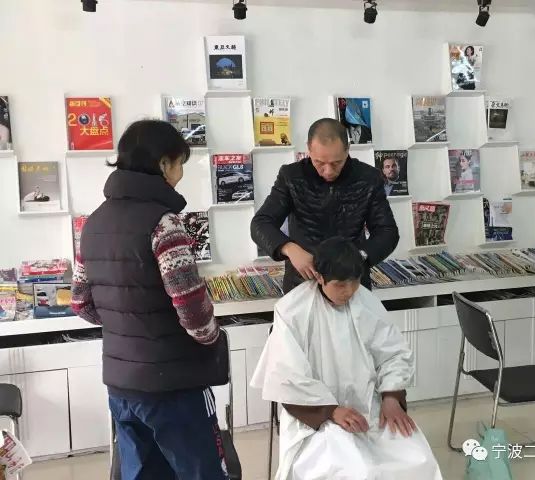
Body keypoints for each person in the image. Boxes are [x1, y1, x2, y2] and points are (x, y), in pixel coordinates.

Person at [71, 120, 229, 480]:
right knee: (201, 472)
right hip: (175, 384)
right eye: (179, 163)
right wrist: (212, 337)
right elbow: (193, 313)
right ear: (163, 164)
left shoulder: (92, 224)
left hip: (121, 386)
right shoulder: (164, 224)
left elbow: (80, 303)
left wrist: (127, 325)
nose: (180, 174)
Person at [250, 237, 443, 480]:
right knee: (356, 470)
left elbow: (393, 353)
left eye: (355, 282)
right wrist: (331, 411)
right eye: (340, 284)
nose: (349, 291)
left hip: (369, 405)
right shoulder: (291, 311)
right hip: (317, 414)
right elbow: (287, 377)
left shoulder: (366, 301)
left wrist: (391, 396)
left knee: (418, 459)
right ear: (320, 277)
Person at [250, 118, 399, 294]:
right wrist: (289, 248)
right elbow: (261, 223)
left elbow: (387, 231)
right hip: (302, 282)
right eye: (319, 162)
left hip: (351, 282)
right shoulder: (291, 176)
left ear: (347, 149)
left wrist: (359, 257)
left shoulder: (369, 178)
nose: (328, 171)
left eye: (337, 162)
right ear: (309, 149)